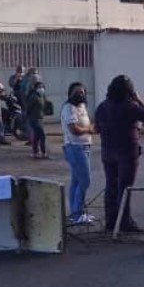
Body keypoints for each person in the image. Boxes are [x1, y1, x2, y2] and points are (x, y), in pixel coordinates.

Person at [94, 75, 144, 234]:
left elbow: (97, 129)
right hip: (127, 151)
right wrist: (138, 100)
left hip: (107, 151)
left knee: (111, 186)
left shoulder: (102, 106)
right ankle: (124, 222)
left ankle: (111, 221)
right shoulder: (130, 106)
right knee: (125, 187)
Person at [61, 82, 95, 225]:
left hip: (85, 146)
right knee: (85, 181)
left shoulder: (82, 106)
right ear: (70, 94)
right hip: (75, 147)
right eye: (76, 92)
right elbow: (74, 129)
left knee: (76, 181)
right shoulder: (68, 108)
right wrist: (89, 130)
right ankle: (78, 213)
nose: (80, 94)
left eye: (82, 92)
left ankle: (75, 213)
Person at [24, 81, 49, 159]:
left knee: (37, 136)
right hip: (34, 118)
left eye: (42, 87)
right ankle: (43, 153)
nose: (41, 88)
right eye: (39, 87)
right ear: (35, 88)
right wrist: (26, 116)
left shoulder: (42, 96)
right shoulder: (34, 96)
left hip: (40, 118)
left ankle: (36, 152)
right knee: (42, 135)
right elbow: (28, 107)